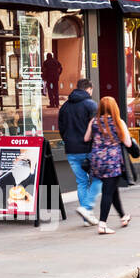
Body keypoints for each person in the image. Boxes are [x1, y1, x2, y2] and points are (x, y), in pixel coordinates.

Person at [84, 96, 133, 234]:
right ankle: (102, 224)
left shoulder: (94, 121)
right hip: (112, 162)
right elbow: (128, 143)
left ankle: (123, 217)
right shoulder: (118, 122)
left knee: (112, 189)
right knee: (107, 192)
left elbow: (86, 138)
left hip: (97, 162)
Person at [57, 78, 100, 226]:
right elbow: (96, 128)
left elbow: (61, 129)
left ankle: (86, 218)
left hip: (71, 150)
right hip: (88, 149)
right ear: (89, 89)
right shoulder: (91, 105)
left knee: (82, 182)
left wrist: (69, 141)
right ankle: (87, 209)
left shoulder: (65, 107)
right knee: (97, 180)